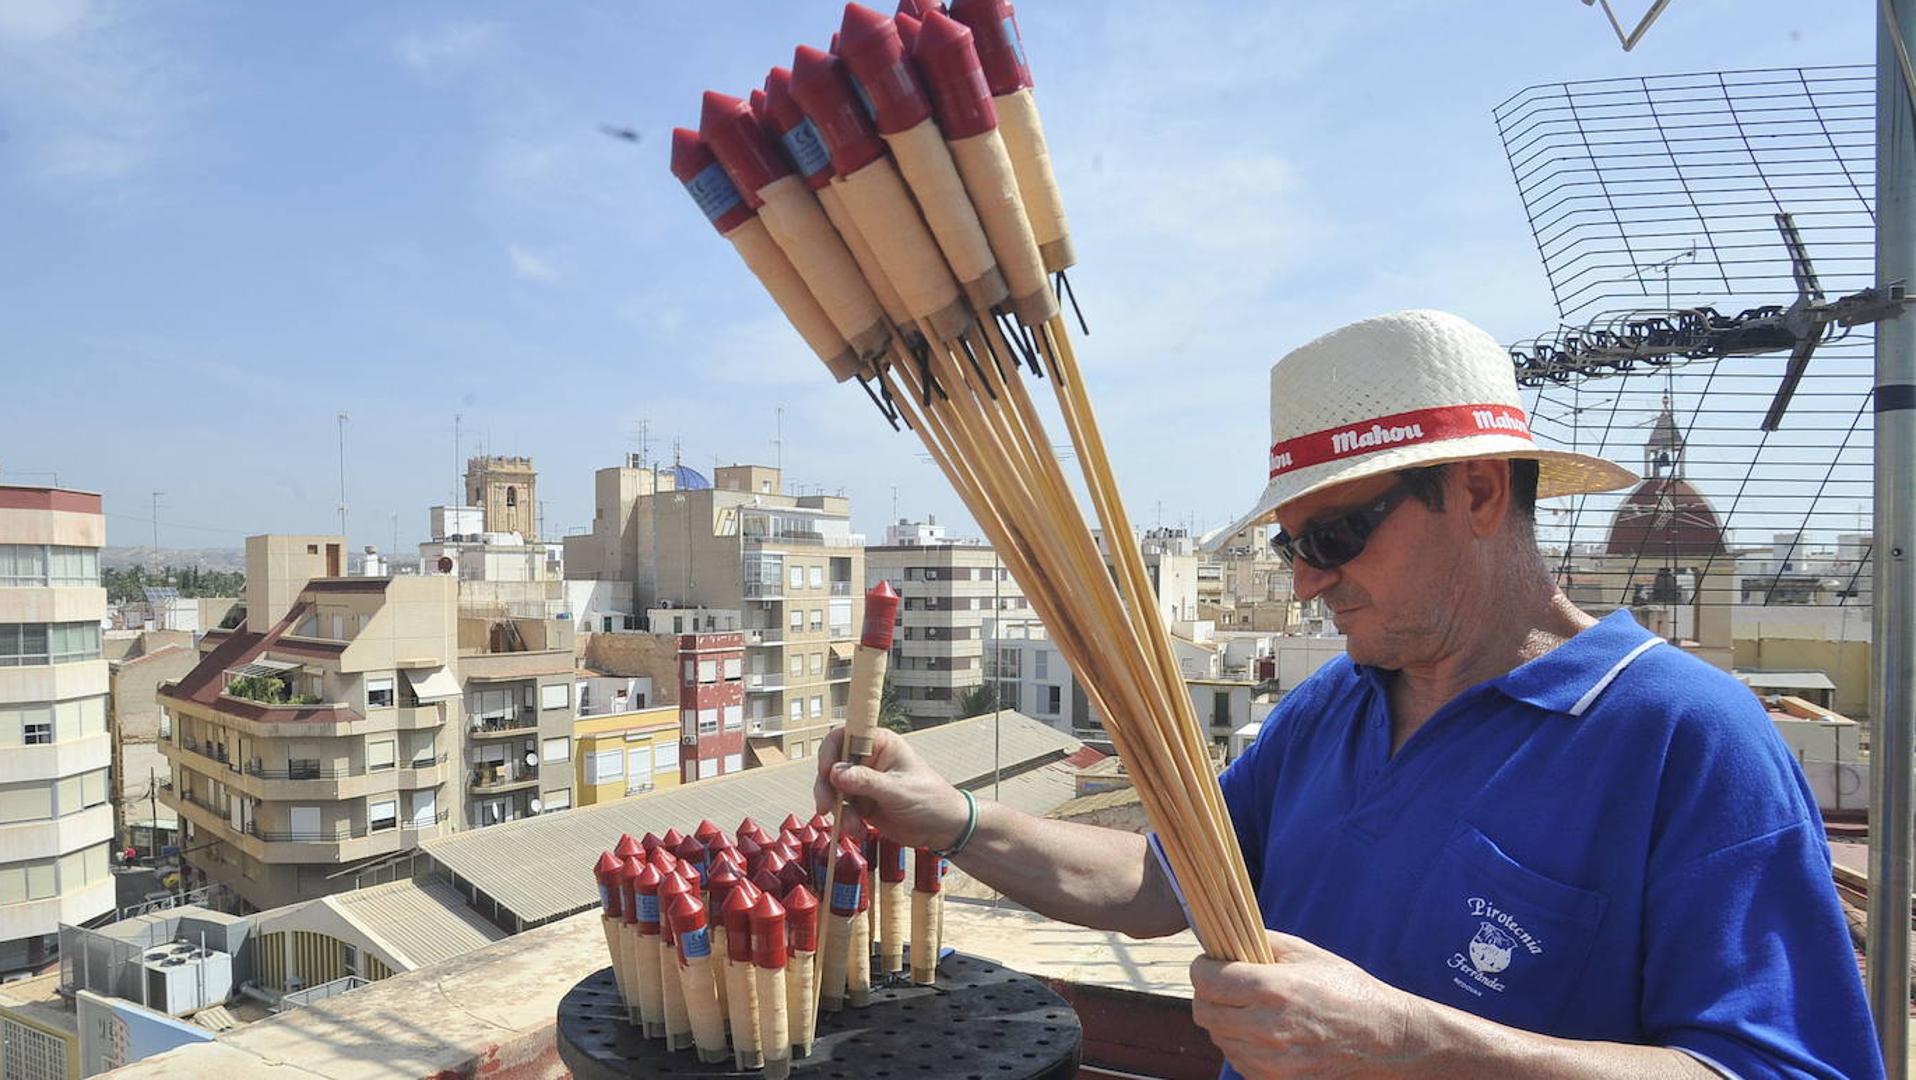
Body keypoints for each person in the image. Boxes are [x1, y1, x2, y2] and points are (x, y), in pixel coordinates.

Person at [817, 310, 1883, 1079]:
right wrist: (950, 819)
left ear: (1472, 491)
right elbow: (1158, 881)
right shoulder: (1334, 705)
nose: (1306, 578)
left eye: (1333, 535)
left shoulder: (1685, 741)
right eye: (1291, 545)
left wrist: (1414, 1045)